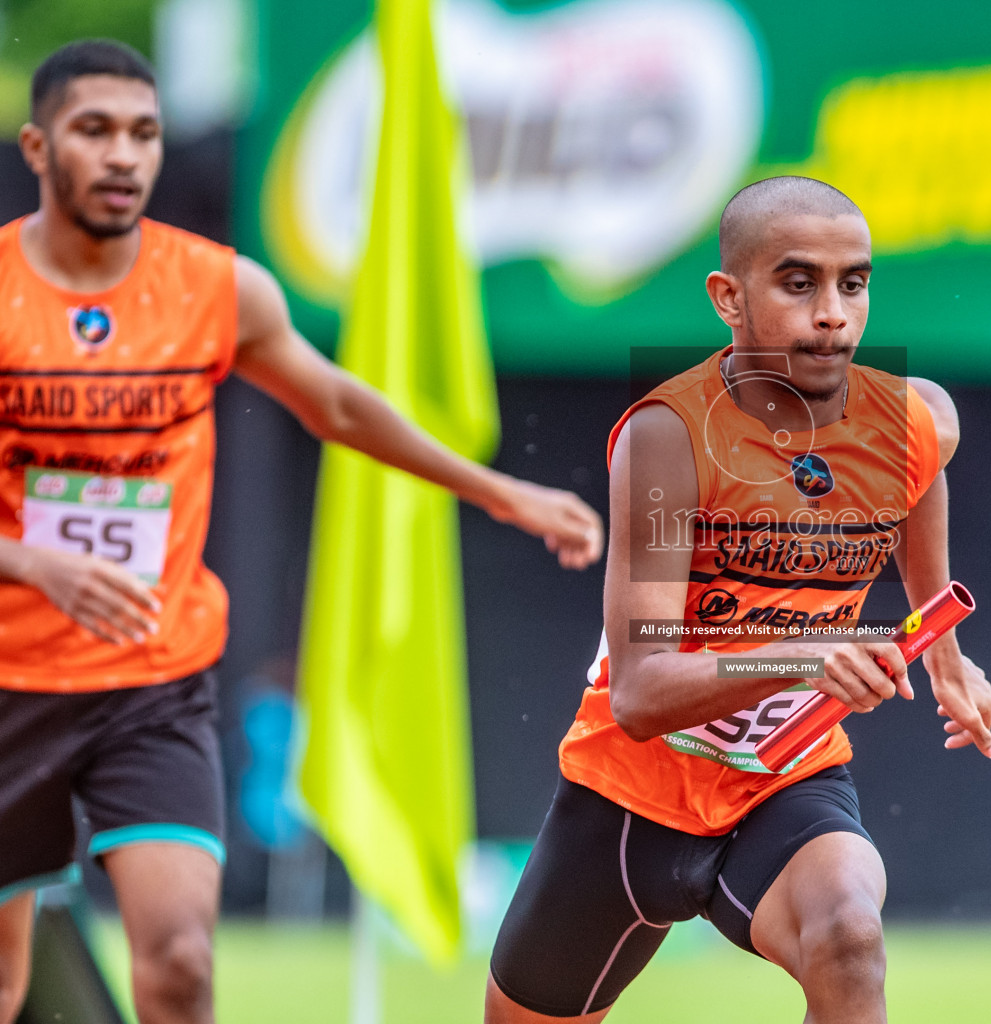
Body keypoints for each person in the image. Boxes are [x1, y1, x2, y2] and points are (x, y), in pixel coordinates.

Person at [0, 39, 604, 1024]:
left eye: (143, 134)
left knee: (183, 959)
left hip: (150, 683)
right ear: (37, 146)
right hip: (12, 682)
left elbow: (339, 406)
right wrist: (32, 564)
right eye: (94, 131)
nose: (122, 156)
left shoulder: (217, 288)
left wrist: (495, 490)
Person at [484, 175, 991, 1023]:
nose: (833, 312)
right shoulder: (667, 437)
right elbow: (643, 695)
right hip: (629, 800)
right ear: (729, 296)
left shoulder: (912, 418)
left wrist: (941, 649)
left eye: (854, 283)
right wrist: (806, 655)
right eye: (799, 283)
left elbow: (923, 468)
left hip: (784, 783)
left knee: (849, 937)